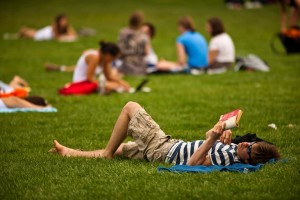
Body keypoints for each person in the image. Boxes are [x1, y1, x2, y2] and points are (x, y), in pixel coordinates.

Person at [50, 102, 280, 166]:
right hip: (167, 147)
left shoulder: (227, 159)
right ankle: (70, 152)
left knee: (130, 107)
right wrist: (222, 137)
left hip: (164, 149)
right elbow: (205, 144)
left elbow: (192, 163)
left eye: (248, 149)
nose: (245, 145)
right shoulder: (233, 151)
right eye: (249, 143)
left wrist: (211, 140)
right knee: (122, 149)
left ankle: (107, 154)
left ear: (249, 160)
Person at [57, 41, 130, 94]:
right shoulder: (94, 57)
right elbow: (90, 78)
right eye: (113, 58)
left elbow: (109, 76)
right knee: (111, 85)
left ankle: (115, 88)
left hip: (91, 82)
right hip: (82, 83)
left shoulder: (104, 59)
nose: (113, 60)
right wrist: (106, 84)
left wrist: (122, 82)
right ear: (108, 54)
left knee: (115, 84)